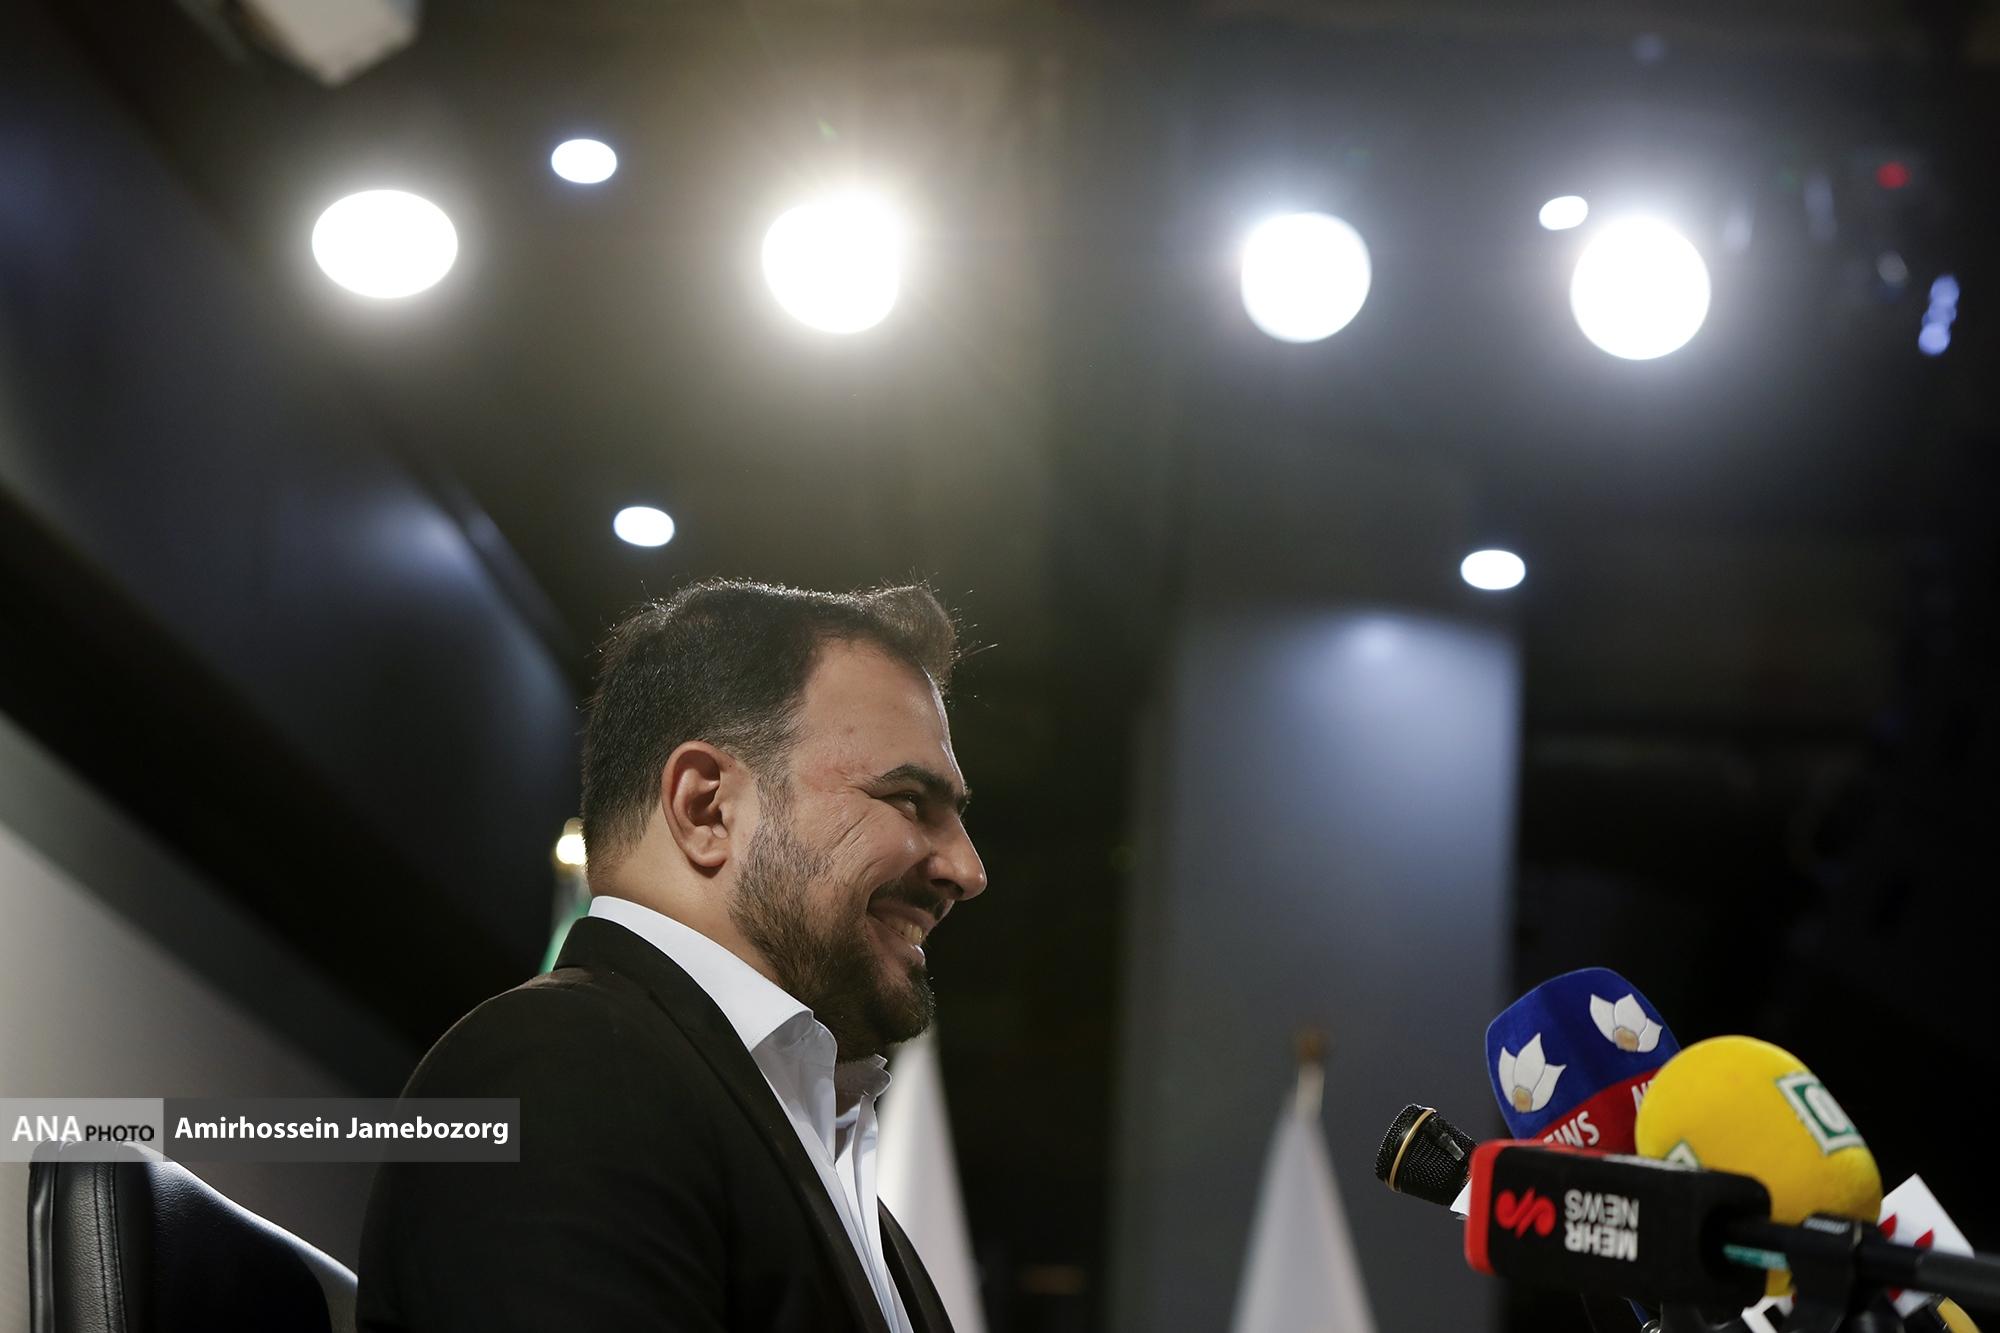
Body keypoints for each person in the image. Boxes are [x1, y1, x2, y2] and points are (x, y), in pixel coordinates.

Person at [357, 579, 989, 1333]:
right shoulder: (560, 1066)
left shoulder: (824, 1162)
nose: (968, 870)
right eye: (910, 799)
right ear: (706, 807)